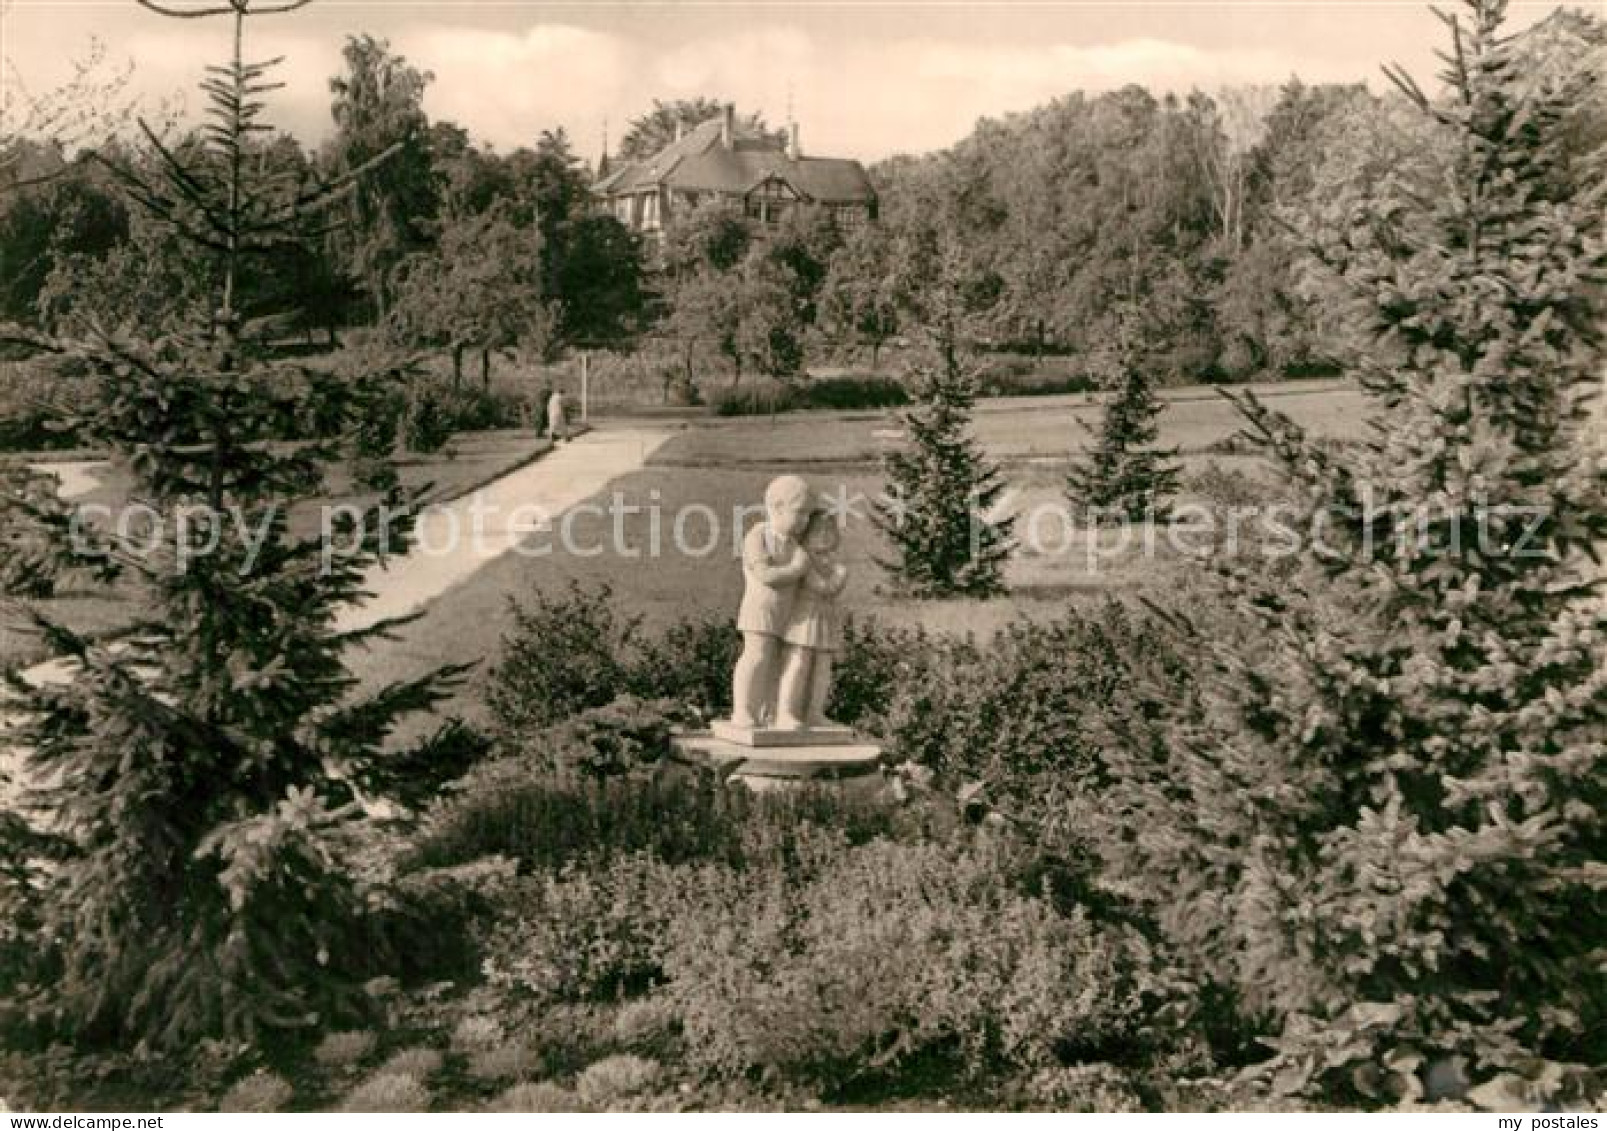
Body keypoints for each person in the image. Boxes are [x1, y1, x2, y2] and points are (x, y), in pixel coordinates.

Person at [729, 475, 814, 729]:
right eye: (799, 512)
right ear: (777, 507)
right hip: (761, 610)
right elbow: (765, 575)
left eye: (808, 514)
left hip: (787, 612)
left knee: (778, 662)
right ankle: (743, 710)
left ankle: (772, 712)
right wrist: (797, 569)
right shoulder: (758, 536)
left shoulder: (796, 545)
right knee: (756, 656)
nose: (804, 521)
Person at [775, 508, 848, 730]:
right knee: (798, 662)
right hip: (805, 617)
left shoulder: (830, 559)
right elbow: (822, 586)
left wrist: (837, 573)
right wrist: (839, 576)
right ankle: (785, 712)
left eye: (829, 530)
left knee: (823, 667)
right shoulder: (803, 557)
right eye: (818, 531)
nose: (825, 535)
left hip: (824, 617)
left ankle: (815, 712)